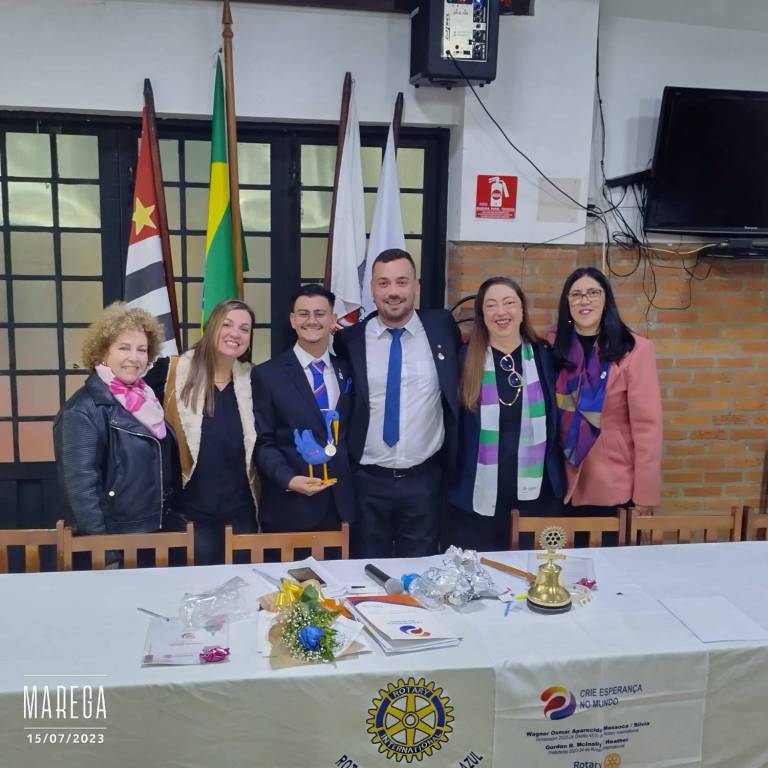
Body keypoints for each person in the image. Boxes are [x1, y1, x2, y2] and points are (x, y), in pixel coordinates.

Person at [334, 248, 460, 558]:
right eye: (384, 283)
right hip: (367, 483)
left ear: (416, 286)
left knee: (419, 574)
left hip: (424, 482)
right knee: (365, 570)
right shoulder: (351, 340)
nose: (393, 292)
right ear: (372, 289)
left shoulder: (442, 328)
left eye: (402, 282)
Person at [447, 277, 565, 551]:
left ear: (522, 310)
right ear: (482, 314)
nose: (501, 312)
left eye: (509, 303)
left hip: (537, 496)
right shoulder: (463, 360)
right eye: (491, 305)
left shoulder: (544, 357)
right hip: (476, 500)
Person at [145, 299, 258, 565]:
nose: (235, 333)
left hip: (241, 518)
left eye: (244, 329)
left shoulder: (255, 380)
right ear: (211, 327)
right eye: (227, 324)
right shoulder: (171, 372)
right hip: (187, 517)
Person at [53, 302, 177, 536]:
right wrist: (106, 551)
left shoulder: (147, 399)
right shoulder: (81, 411)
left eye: (142, 350)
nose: (134, 357)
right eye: (124, 348)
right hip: (116, 541)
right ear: (102, 352)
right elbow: (81, 495)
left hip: (155, 535)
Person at [552, 267, 662, 516]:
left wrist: (645, 494)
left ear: (606, 299)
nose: (585, 300)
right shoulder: (554, 344)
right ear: (567, 303)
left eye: (593, 292)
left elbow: (648, 429)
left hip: (612, 484)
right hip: (560, 484)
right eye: (576, 294)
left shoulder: (635, 350)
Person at [251, 284, 354, 533]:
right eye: (303, 314)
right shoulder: (267, 375)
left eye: (320, 313)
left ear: (333, 320)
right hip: (291, 509)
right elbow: (263, 441)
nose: (312, 321)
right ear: (292, 320)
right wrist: (288, 479)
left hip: (344, 506)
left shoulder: (349, 369)